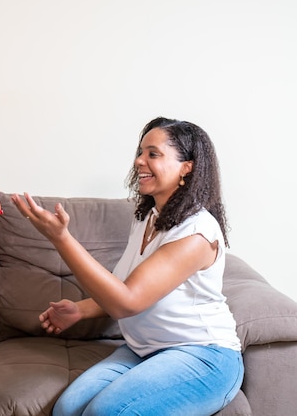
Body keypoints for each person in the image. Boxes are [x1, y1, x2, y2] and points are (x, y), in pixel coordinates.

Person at [12, 117, 243, 416]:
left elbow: (127, 302)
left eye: (153, 154)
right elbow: (123, 287)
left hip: (204, 357)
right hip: (145, 351)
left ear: (187, 166)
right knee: (67, 409)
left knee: (105, 412)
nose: (138, 161)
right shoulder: (147, 217)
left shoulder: (197, 233)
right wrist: (80, 310)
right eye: (140, 152)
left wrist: (61, 239)